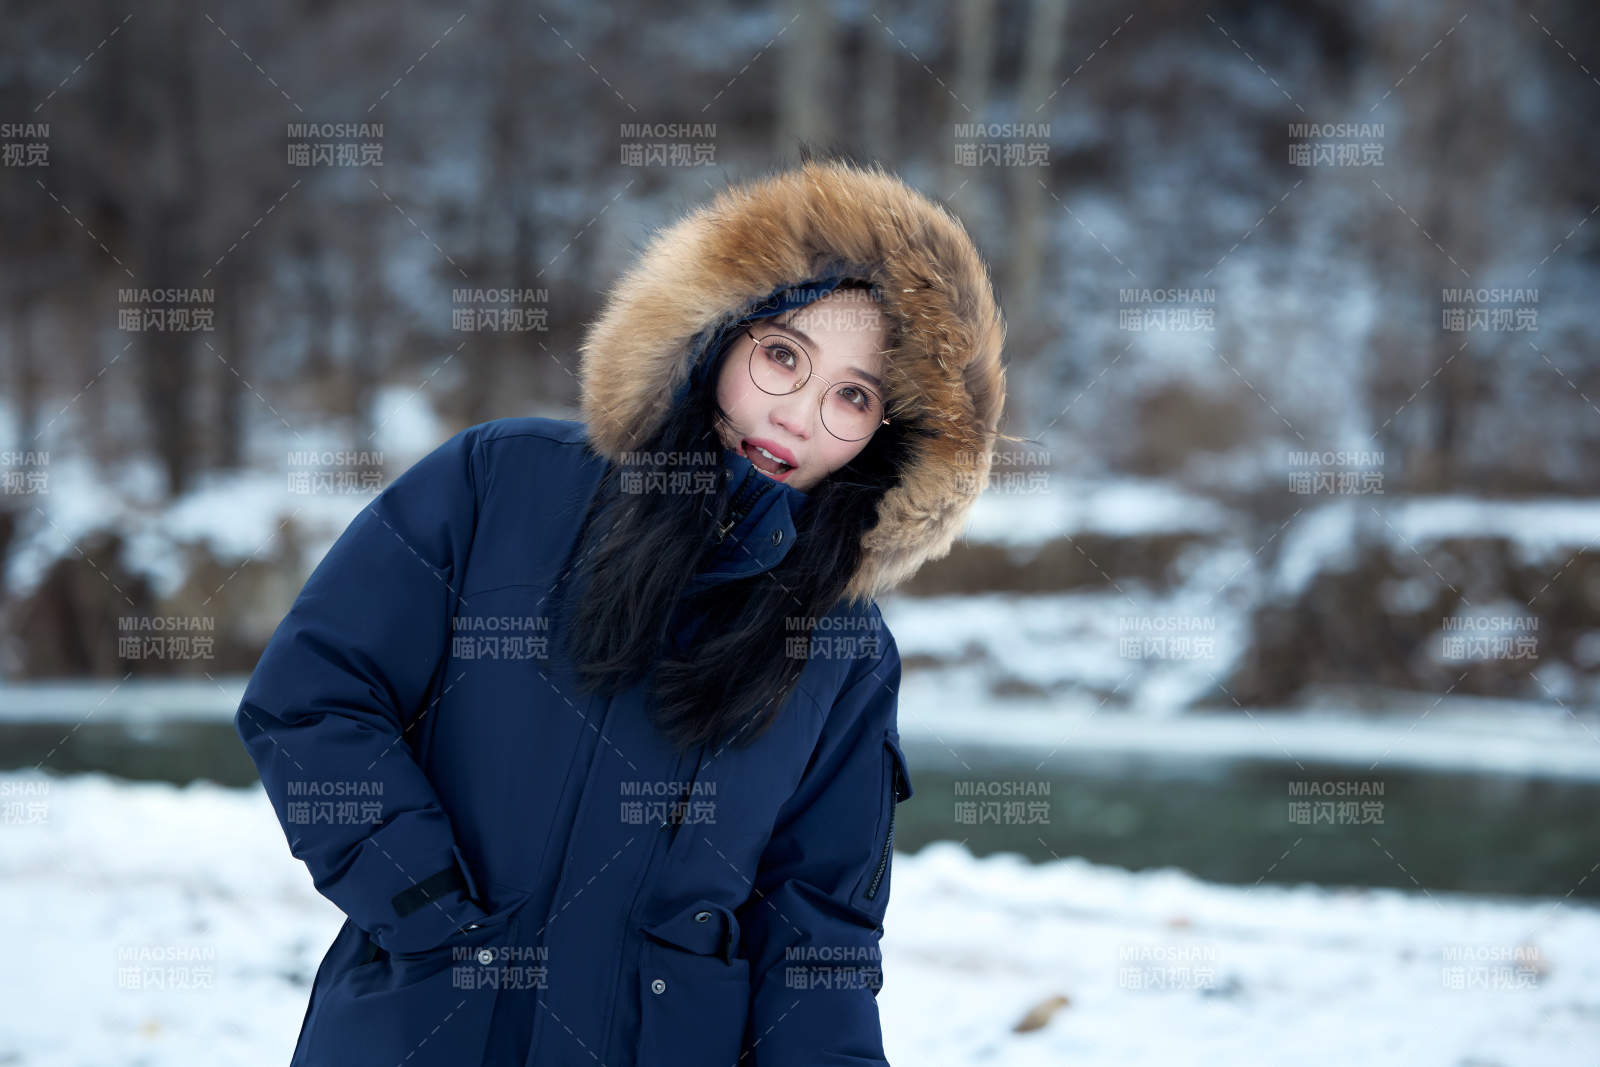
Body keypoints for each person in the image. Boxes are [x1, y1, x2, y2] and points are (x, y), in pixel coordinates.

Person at [235, 157, 1007, 1067]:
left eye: (853, 395)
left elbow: (819, 936)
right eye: (783, 355)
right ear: (717, 333)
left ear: (889, 436)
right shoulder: (500, 481)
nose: (796, 416)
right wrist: (423, 904)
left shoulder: (843, 650)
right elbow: (315, 696)